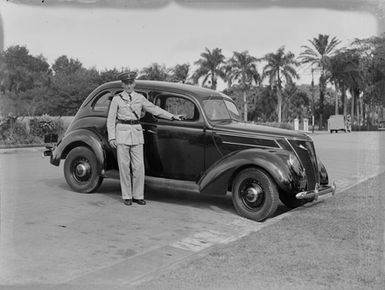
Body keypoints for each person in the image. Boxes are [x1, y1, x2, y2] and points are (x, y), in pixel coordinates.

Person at [107, 72, 182, 206]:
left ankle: (138, 195)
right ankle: (127, 196)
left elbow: (154, 109)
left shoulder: (139, 98)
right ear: (123, 85)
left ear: (134, 84)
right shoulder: (117, 99)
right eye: (126, 84)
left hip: (136, 133)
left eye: (131, 83)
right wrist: (112, 137)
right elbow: (111, 119)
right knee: (124, 166)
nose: (129, 86)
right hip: (122, 134)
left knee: (139, 166)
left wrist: (172, 116)